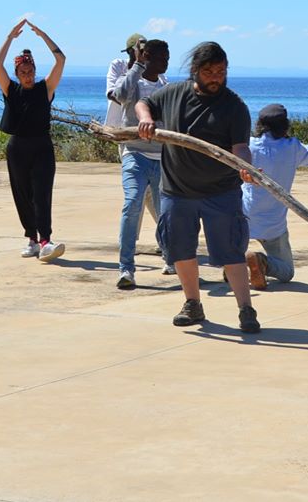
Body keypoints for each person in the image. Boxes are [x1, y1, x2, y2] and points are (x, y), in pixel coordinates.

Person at [135, 41, 261, 333]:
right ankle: (192, 303)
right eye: (209, 71)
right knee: (181, 249)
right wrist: (145, 119)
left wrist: (246, 166)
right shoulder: (174, 93)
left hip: (221, 191)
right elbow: (145, 103)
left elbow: (240, 147)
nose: (216, 77)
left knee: (231, 251)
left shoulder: (234, 106)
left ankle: (246, 309)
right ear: (195, 71)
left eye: (221, 71)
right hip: (177, 191)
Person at [0, 19, 66, 262]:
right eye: (23, 73)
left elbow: (61, 60)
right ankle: (32, 240)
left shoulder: (45, 88)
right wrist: (9, 37)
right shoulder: (10, 90)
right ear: (17, 74)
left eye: (31, 72)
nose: (28, 76)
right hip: (17, 148)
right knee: (22, 194)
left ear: (35, 71)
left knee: (42, 193)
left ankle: (46, 240)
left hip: (42, 147)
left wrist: (43, 35)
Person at [112, 39, 173, 289]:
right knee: (132, 203)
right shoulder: (132, 81)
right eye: (160, 58)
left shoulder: (165, 86)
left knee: (166, 213)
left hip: (162, 158)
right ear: (147, 56)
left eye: (168, 58)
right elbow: (118, 95)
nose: (165, 62)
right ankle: (126, 269)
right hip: (135, 154)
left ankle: (171, 258)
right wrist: (137, 64)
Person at [241, 104, 308, 289]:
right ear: (285, 125)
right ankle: (262, 262)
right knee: (286, 272)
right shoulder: (292, 147)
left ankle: (236, 267)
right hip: (274, 223)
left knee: (235, 251)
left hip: (245, 215)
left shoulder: (249, 145)